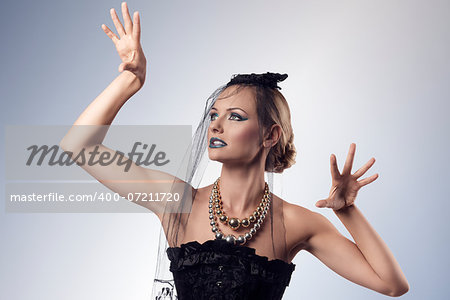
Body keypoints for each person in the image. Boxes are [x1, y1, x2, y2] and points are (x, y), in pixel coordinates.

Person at [59, 2, 410, 299]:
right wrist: (129, 81)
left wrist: (347, 211)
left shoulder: (297, 223)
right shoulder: (176, 201)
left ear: (270, 135)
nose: (215, 126)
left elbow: (392, 285)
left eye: (235, 117)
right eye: (214, 116)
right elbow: (79, 146)